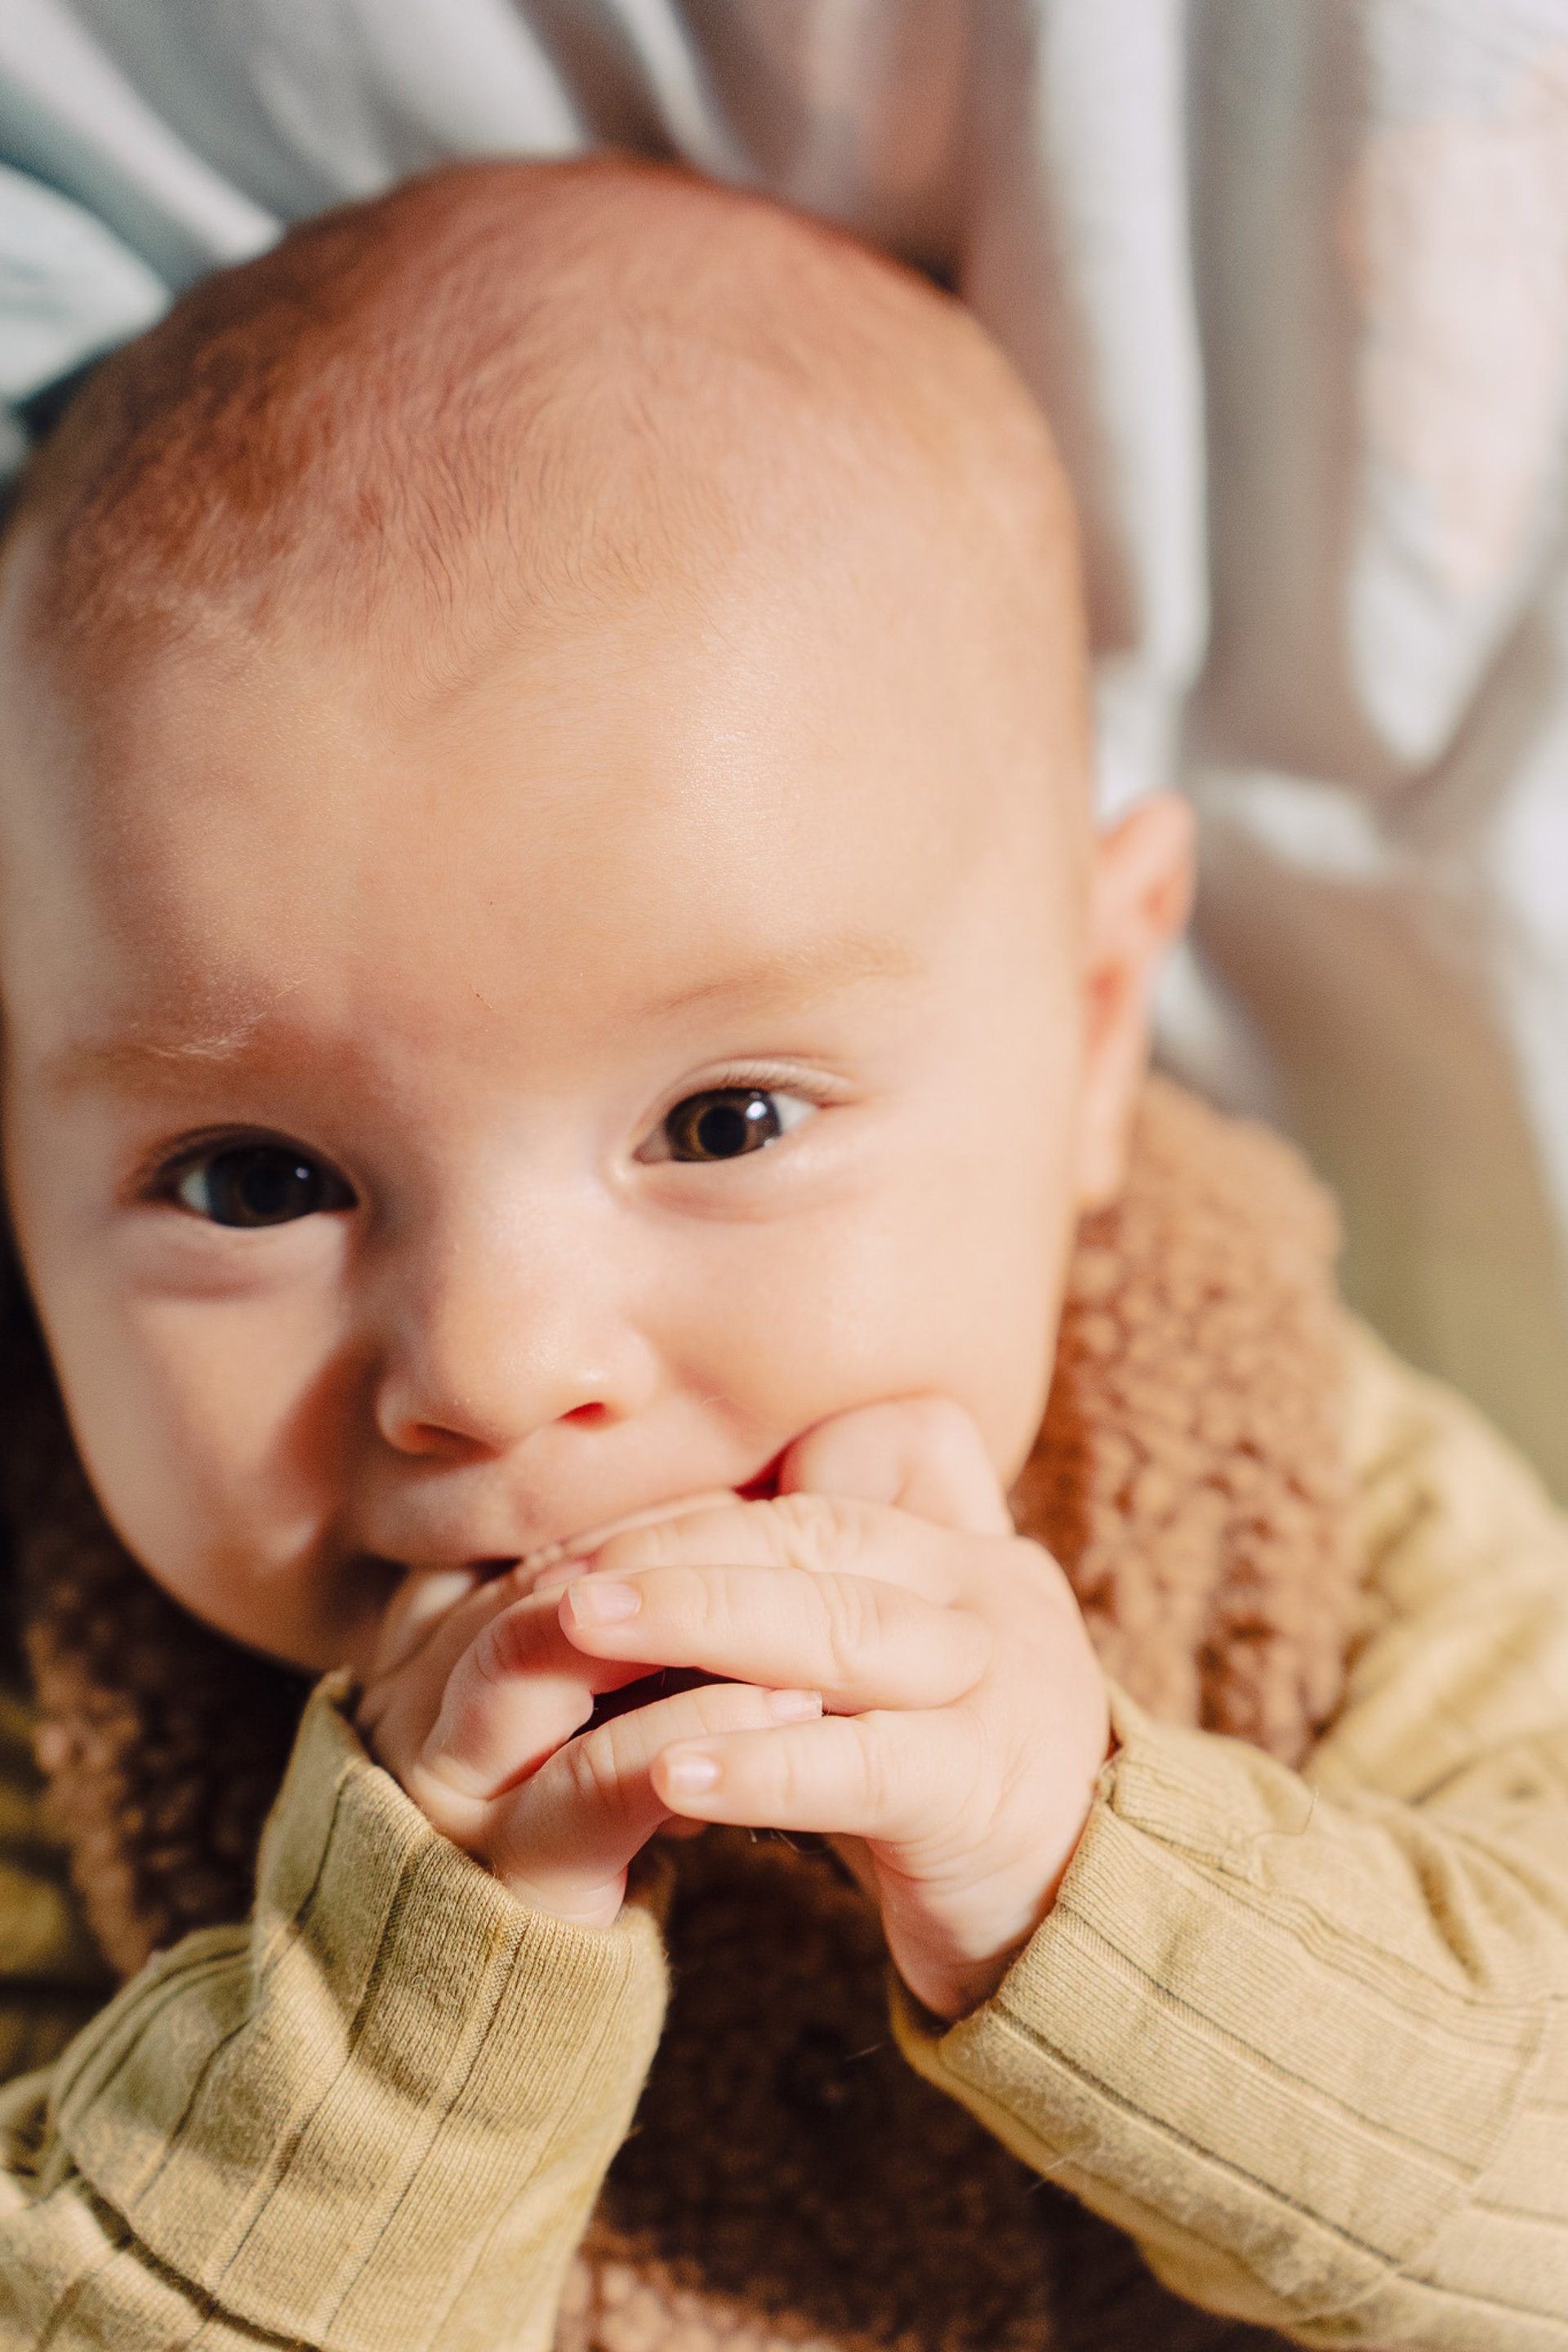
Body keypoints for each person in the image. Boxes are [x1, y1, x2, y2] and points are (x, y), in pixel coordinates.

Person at [0, 159, 1563, 2351]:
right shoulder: (75, 1667)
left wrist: (1085, 1869)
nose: (492, 1364)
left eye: (724, 1125)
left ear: (1094, 1034)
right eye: (256, 1180)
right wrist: (393, 2018)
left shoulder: (1271, 1480)